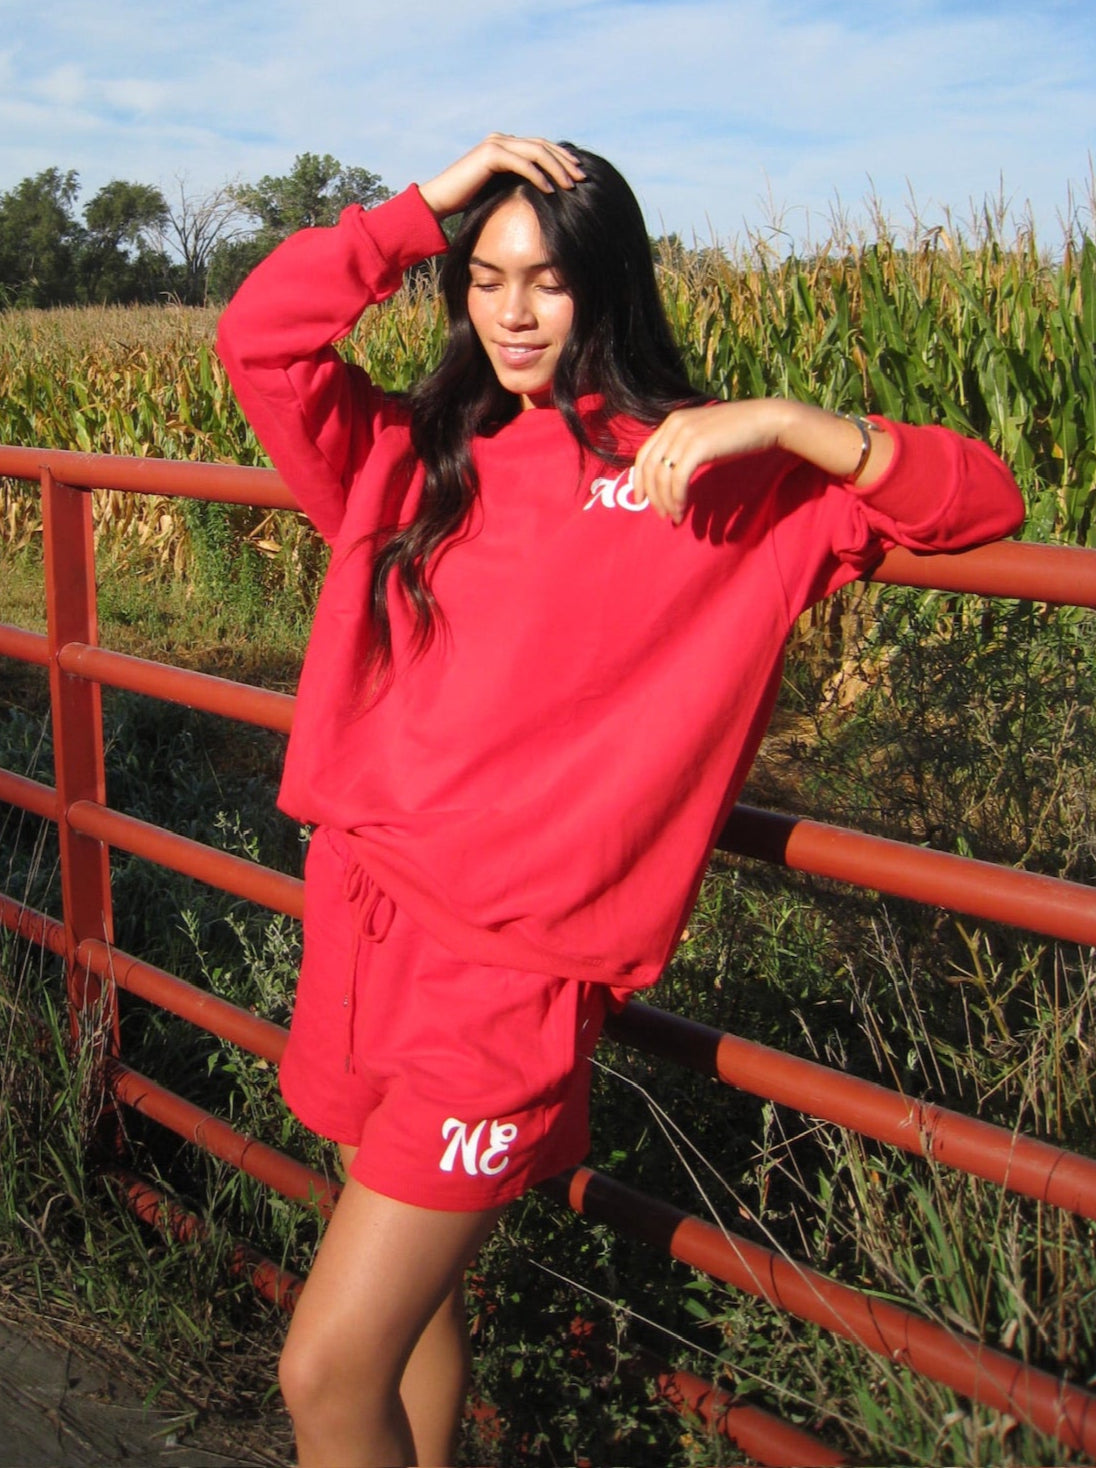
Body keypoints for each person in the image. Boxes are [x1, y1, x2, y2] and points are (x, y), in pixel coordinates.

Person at [217, 134, 1023, 1467]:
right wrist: (422, 206)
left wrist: (786, 422)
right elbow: (262, 338)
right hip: (361, 925)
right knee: (412, 1318)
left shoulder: (716, 482)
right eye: (484, 278)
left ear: (609, 285)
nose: (513, 313)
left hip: (505, 980)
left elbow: (977, 501)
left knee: (324, 1370)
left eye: (548, 280)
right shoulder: (413, 454)